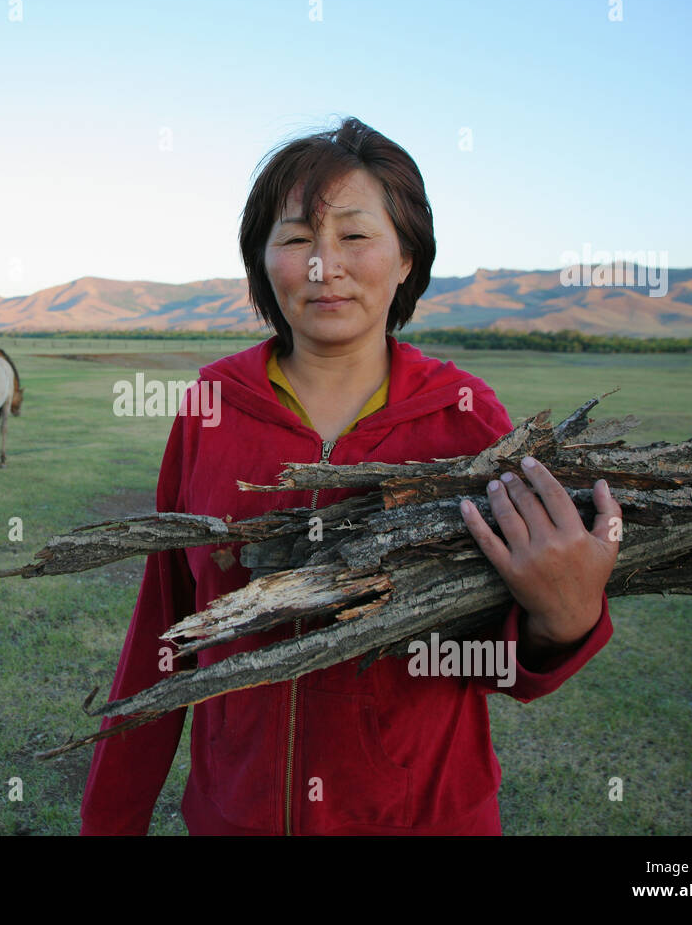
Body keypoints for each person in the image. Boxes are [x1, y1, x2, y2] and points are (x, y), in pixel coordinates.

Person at [80, 116, 621, 835]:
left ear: (406, 260)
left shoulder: (465, 418)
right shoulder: (210, 408)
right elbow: (167, 625)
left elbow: (499, 663)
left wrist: (567, 618)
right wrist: (110, 818)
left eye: (355, 237)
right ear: (262, 263)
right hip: (233, 816)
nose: (322, 266)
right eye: (297, 238)